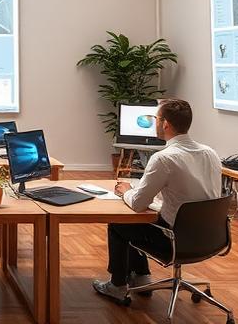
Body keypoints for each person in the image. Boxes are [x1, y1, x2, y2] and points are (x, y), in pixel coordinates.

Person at [92, 98, 223, 300]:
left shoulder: (164, 158)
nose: (154, 122)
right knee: (151, 214)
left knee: (121, 221)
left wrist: (126, 190)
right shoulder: (211, 153)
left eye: (156, 118)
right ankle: (142, 275)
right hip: (212, 238)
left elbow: (138, 204)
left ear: (165, 124)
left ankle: (117, 285)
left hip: (174, 241)